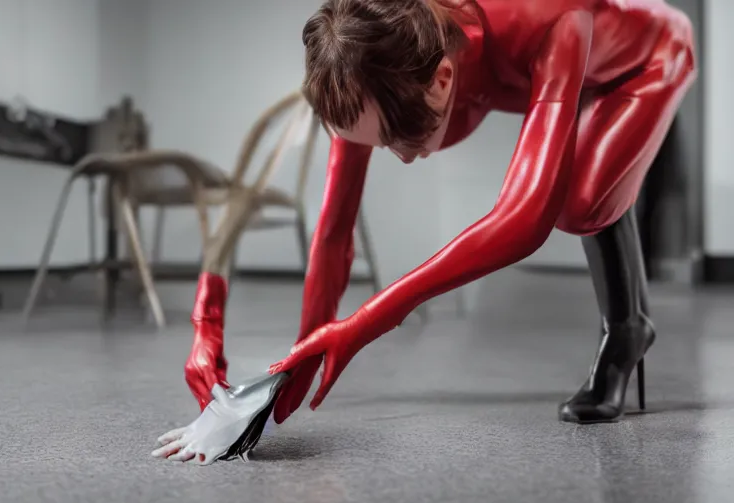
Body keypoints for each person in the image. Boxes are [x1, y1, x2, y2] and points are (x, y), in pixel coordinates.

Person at [185, 0, 697, 424]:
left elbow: (524, 220)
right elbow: (334, 229)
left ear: (443, 77)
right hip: (578, 69)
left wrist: (363, 324)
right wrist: (301, 349)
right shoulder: (380, 58)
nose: (398, 157)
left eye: (394, 140)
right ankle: (621, 275)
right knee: (590, 180)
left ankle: (626, 330)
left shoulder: (550, 18)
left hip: (648, 60)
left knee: (578, 202)